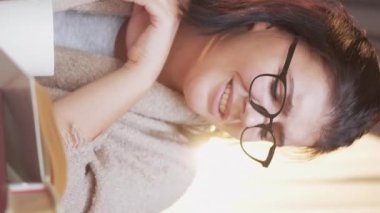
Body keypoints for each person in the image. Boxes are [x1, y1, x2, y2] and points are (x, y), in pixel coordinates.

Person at [47, 0, 380, 212]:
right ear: (273, 24)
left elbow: (23, 187)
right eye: (278, 91)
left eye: (270, 133)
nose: (250, 117)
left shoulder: (163, 171)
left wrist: (136, 76)